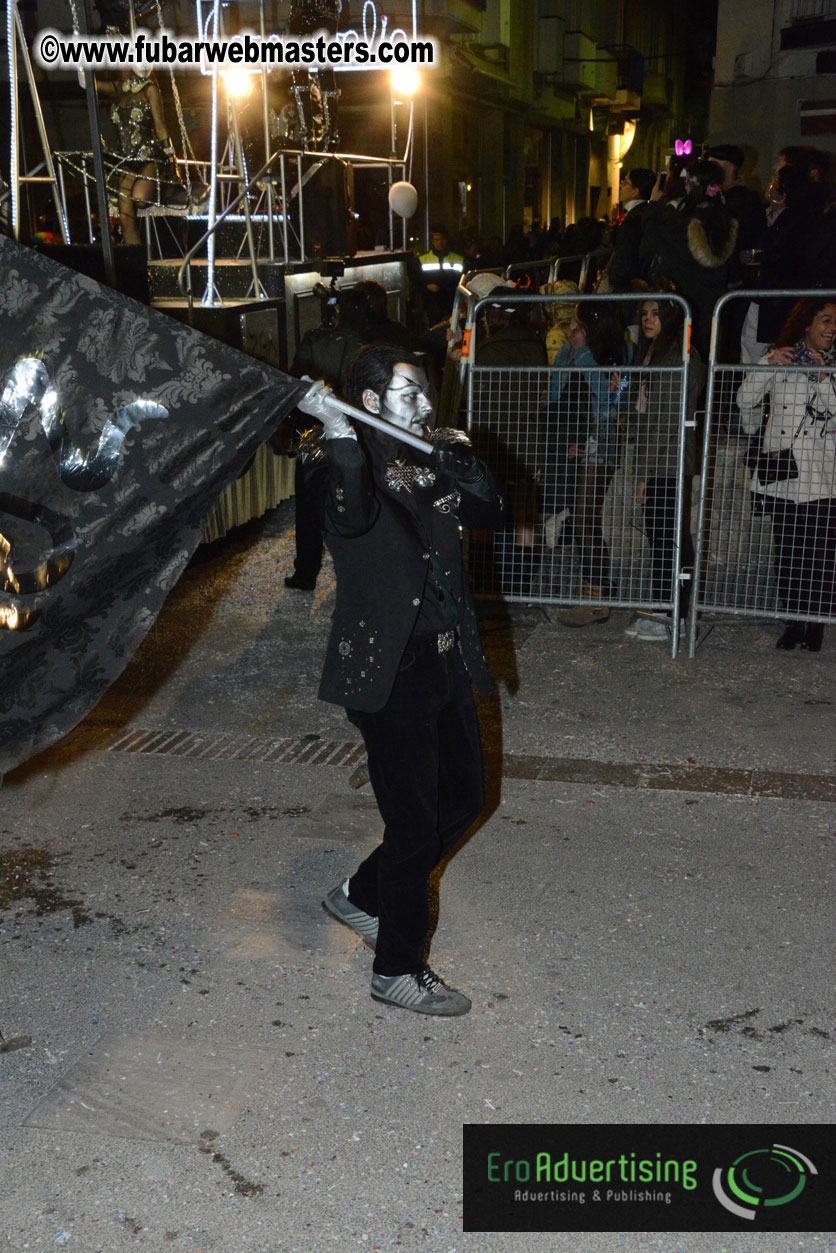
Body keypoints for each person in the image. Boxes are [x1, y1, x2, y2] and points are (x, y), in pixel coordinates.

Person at [301, 344, 505, 1015]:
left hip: (446, 658)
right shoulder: (341, 467)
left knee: (466, 797)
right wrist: (336, 431)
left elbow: (488, 508)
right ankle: (396, 969)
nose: (424, 405)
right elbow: (354, 515)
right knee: (416, 825)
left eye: (425, 391)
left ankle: (359, 895)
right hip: (390, 672)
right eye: (407, 393)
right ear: (368, 402)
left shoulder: (426, 458)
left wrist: (462, 457)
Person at [737, 298, 836, 652]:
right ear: (807, 325)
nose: (831, 328)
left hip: (824, 477)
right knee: (789, 553)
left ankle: (815, 625)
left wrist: (824, 378)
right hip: (784, 476)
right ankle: (793, 623)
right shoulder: (781, 357)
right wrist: (766, 363)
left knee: (820, 555)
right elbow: (744, 400)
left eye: (834, 323)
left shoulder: (834, 366)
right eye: (825, 320)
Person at [622, 297, 705, 640]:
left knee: (668, 536)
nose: (647, 319)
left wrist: (644, 470)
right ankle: (667, 611)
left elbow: (666, 419)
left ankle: (670, 613)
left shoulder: (678, 353)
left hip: (668, 457)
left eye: (656, 313)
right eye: (644, 313)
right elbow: (644, 414)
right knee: (663, 535)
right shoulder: (654, 352)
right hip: (660, 455)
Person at [549, 302, 632, 626]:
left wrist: (582, 356)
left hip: (600, 439)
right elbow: (555, 396)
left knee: (585, 515)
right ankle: (592, 593)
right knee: (578, 515)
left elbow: (611, 398)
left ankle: (596, 597)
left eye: (579, 325)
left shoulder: (617, 351)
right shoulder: (568, 352)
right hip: (571, 440)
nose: (572, 331)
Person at [639, 159, 737, 357]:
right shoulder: (724, 219)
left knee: (684, 359)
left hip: (684, 303)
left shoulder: (684, 222)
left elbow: (651, 244)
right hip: (714, 305)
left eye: (687, 180)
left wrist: (654, 206)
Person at [97, 70, 173, 246]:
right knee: (125, 215)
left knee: (139, 197)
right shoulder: (119, 89)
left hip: (149, 157)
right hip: (128, 161)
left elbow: (160, 125)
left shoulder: (150, 89)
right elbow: (88, 84)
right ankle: (137, 262)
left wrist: (170, 157)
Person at [605, 167, 656, 291]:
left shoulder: (633, 219)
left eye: (625, 182)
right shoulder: (645, 213)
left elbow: (627, 256)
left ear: (635, 191)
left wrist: (615, 278)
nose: (621, 185)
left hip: (627, 285)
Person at [418, 225, 464, 327]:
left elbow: (460, 282)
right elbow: (418, 281)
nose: (440, 242)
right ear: (433, 241)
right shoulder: (423, 259)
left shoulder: (458, 259)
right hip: (432, 304)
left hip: (450, 302)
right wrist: (426, 286)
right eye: (437, 239)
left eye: (442, 239)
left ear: (446, 240)